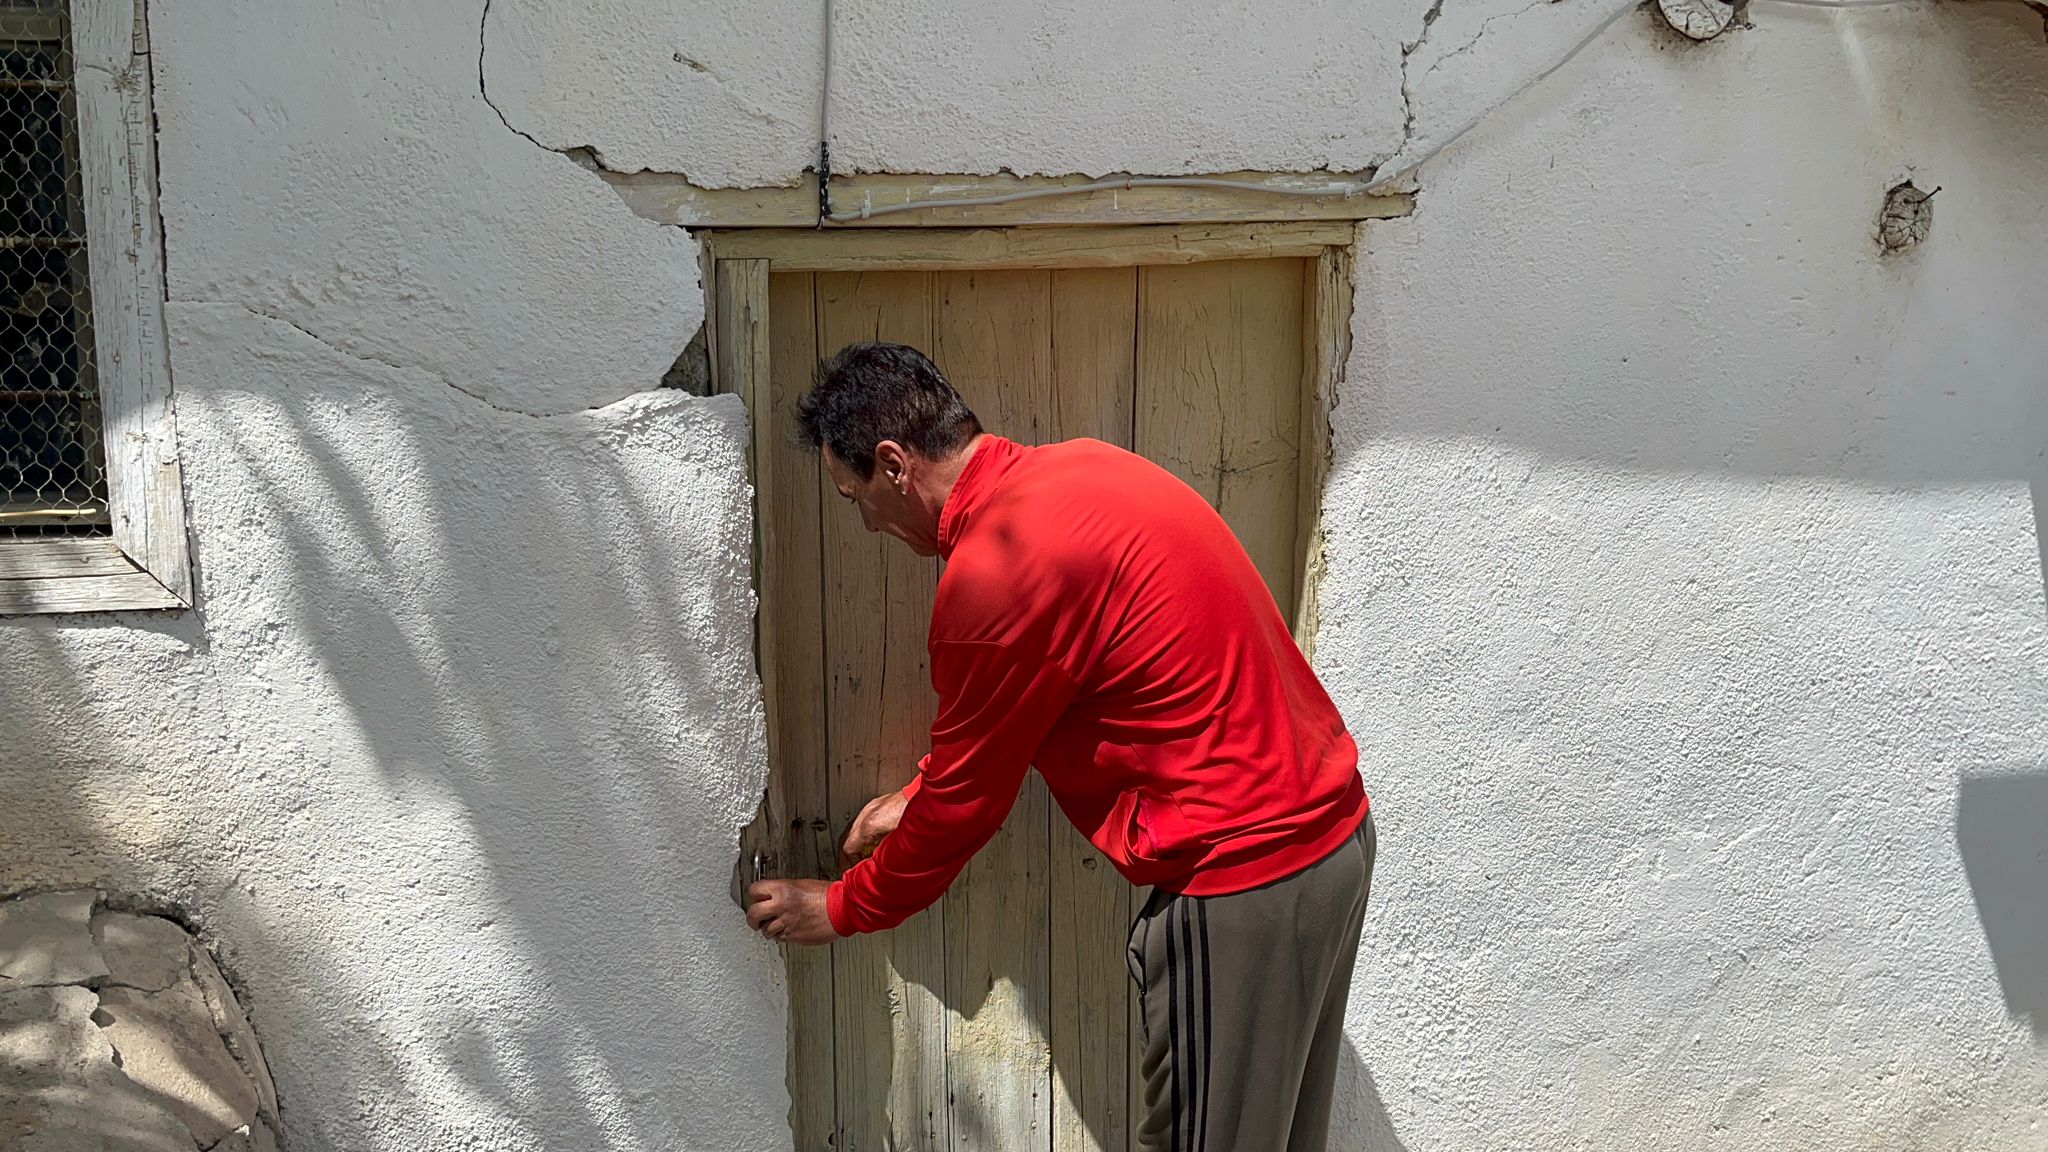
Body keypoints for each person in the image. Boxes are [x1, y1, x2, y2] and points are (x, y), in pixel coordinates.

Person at [744, 341, 1376, 1152]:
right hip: (1331, 842)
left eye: (853, 494)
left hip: (1243, 885)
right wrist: (919, 792)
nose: (863, 521)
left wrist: (842, 907)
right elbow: (1030, 701)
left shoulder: (994, 575)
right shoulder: (1085, 469)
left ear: (895, 465)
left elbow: (966, 808)